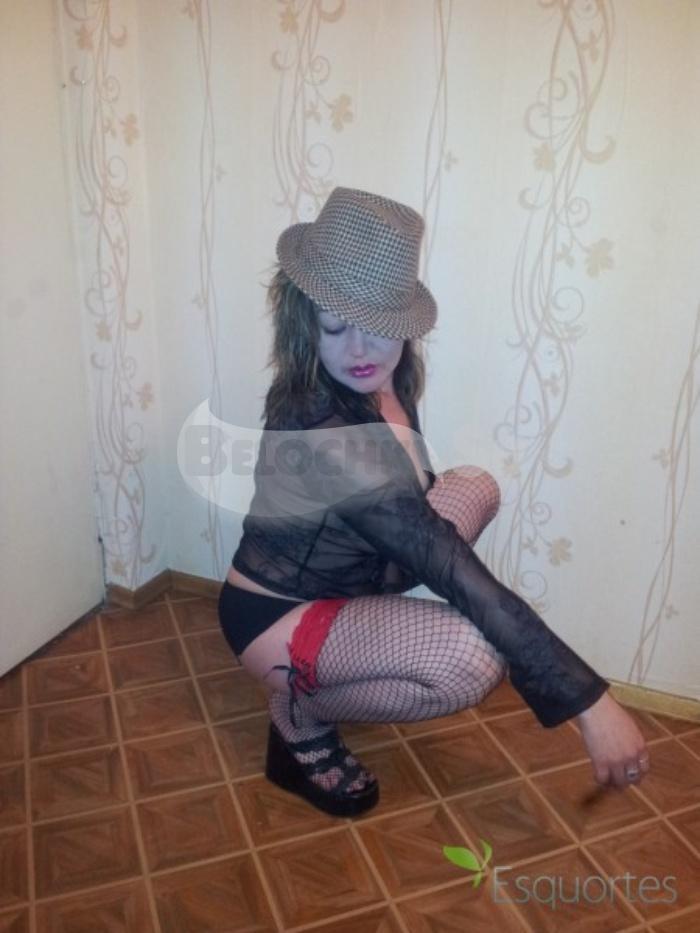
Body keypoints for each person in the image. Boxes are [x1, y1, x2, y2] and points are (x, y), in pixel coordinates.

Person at [218, 186, 649, 817]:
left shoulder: (387, 380)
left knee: (476, 484)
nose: (359, 351)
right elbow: (447, 564)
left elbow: (418, 523)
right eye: (335, 326)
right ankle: (298, 712)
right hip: (276, 613)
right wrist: (589, 703)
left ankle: (322, 677)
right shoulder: (320, 424)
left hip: (352, 577)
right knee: (471, 660)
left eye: (379, 328)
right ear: (303, 319)